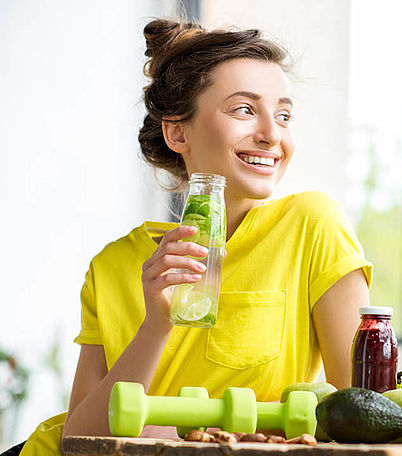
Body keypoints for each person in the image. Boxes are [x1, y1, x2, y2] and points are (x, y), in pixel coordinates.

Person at [15, 18, 372, 456]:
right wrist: (156, 324)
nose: (272, 134)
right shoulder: (112, 266)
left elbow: (366, 413)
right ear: (177, 132)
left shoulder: (313, 226)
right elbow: (78, 441)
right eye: (244, 109)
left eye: (283, 115)